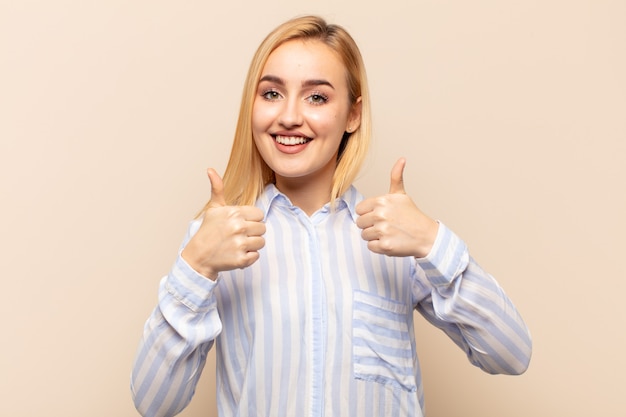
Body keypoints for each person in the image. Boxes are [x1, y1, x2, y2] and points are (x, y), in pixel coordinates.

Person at [131, 15, 532, 417]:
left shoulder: (397, 236)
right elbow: (153, 403)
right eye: (271, 93)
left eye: (316, 97)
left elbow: (510, 354)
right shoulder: (217, 238)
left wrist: (431, 241)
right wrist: (196, 265)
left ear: (353, 115)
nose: (288, 116)